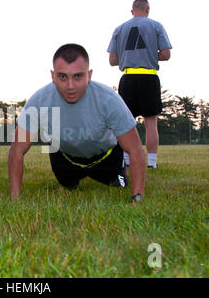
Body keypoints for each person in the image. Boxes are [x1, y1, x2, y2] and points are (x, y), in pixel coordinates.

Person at [8, 44, 146, 202]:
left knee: (118, 183)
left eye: (78, 76)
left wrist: (138, 197)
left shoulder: (109, 100)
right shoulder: (39, 101)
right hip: (66, 158)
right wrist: (14, 199)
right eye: (63, 77)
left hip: (106, 158)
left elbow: (135, 150)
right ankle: (71, 176)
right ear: (53, 76)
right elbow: (17, 150)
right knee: (68, 186)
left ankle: (118, 170)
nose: (70, 86)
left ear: (89, 75)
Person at [107, 0, 172, 169]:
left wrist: (130, 56)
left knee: (127, 123)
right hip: (149, 78)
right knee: (151, 122)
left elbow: (112, 60)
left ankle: (127, 161)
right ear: (148, 9)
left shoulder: (119, 29)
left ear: (132, 11)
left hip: (127, 79)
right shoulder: (156, 26)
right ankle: (151, 163)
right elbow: (166, 54)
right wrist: (149, 54)